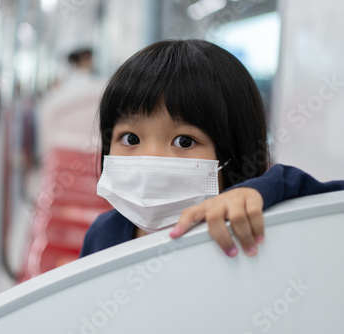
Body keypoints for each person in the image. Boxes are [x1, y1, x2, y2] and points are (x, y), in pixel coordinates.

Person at [80, 39, 344, 258]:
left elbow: (332, 203)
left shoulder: (248, 223)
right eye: (131, 139)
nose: (151, 158)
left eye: (184, 141)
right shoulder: (102, 235)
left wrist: (262, 190)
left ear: (234, 153)